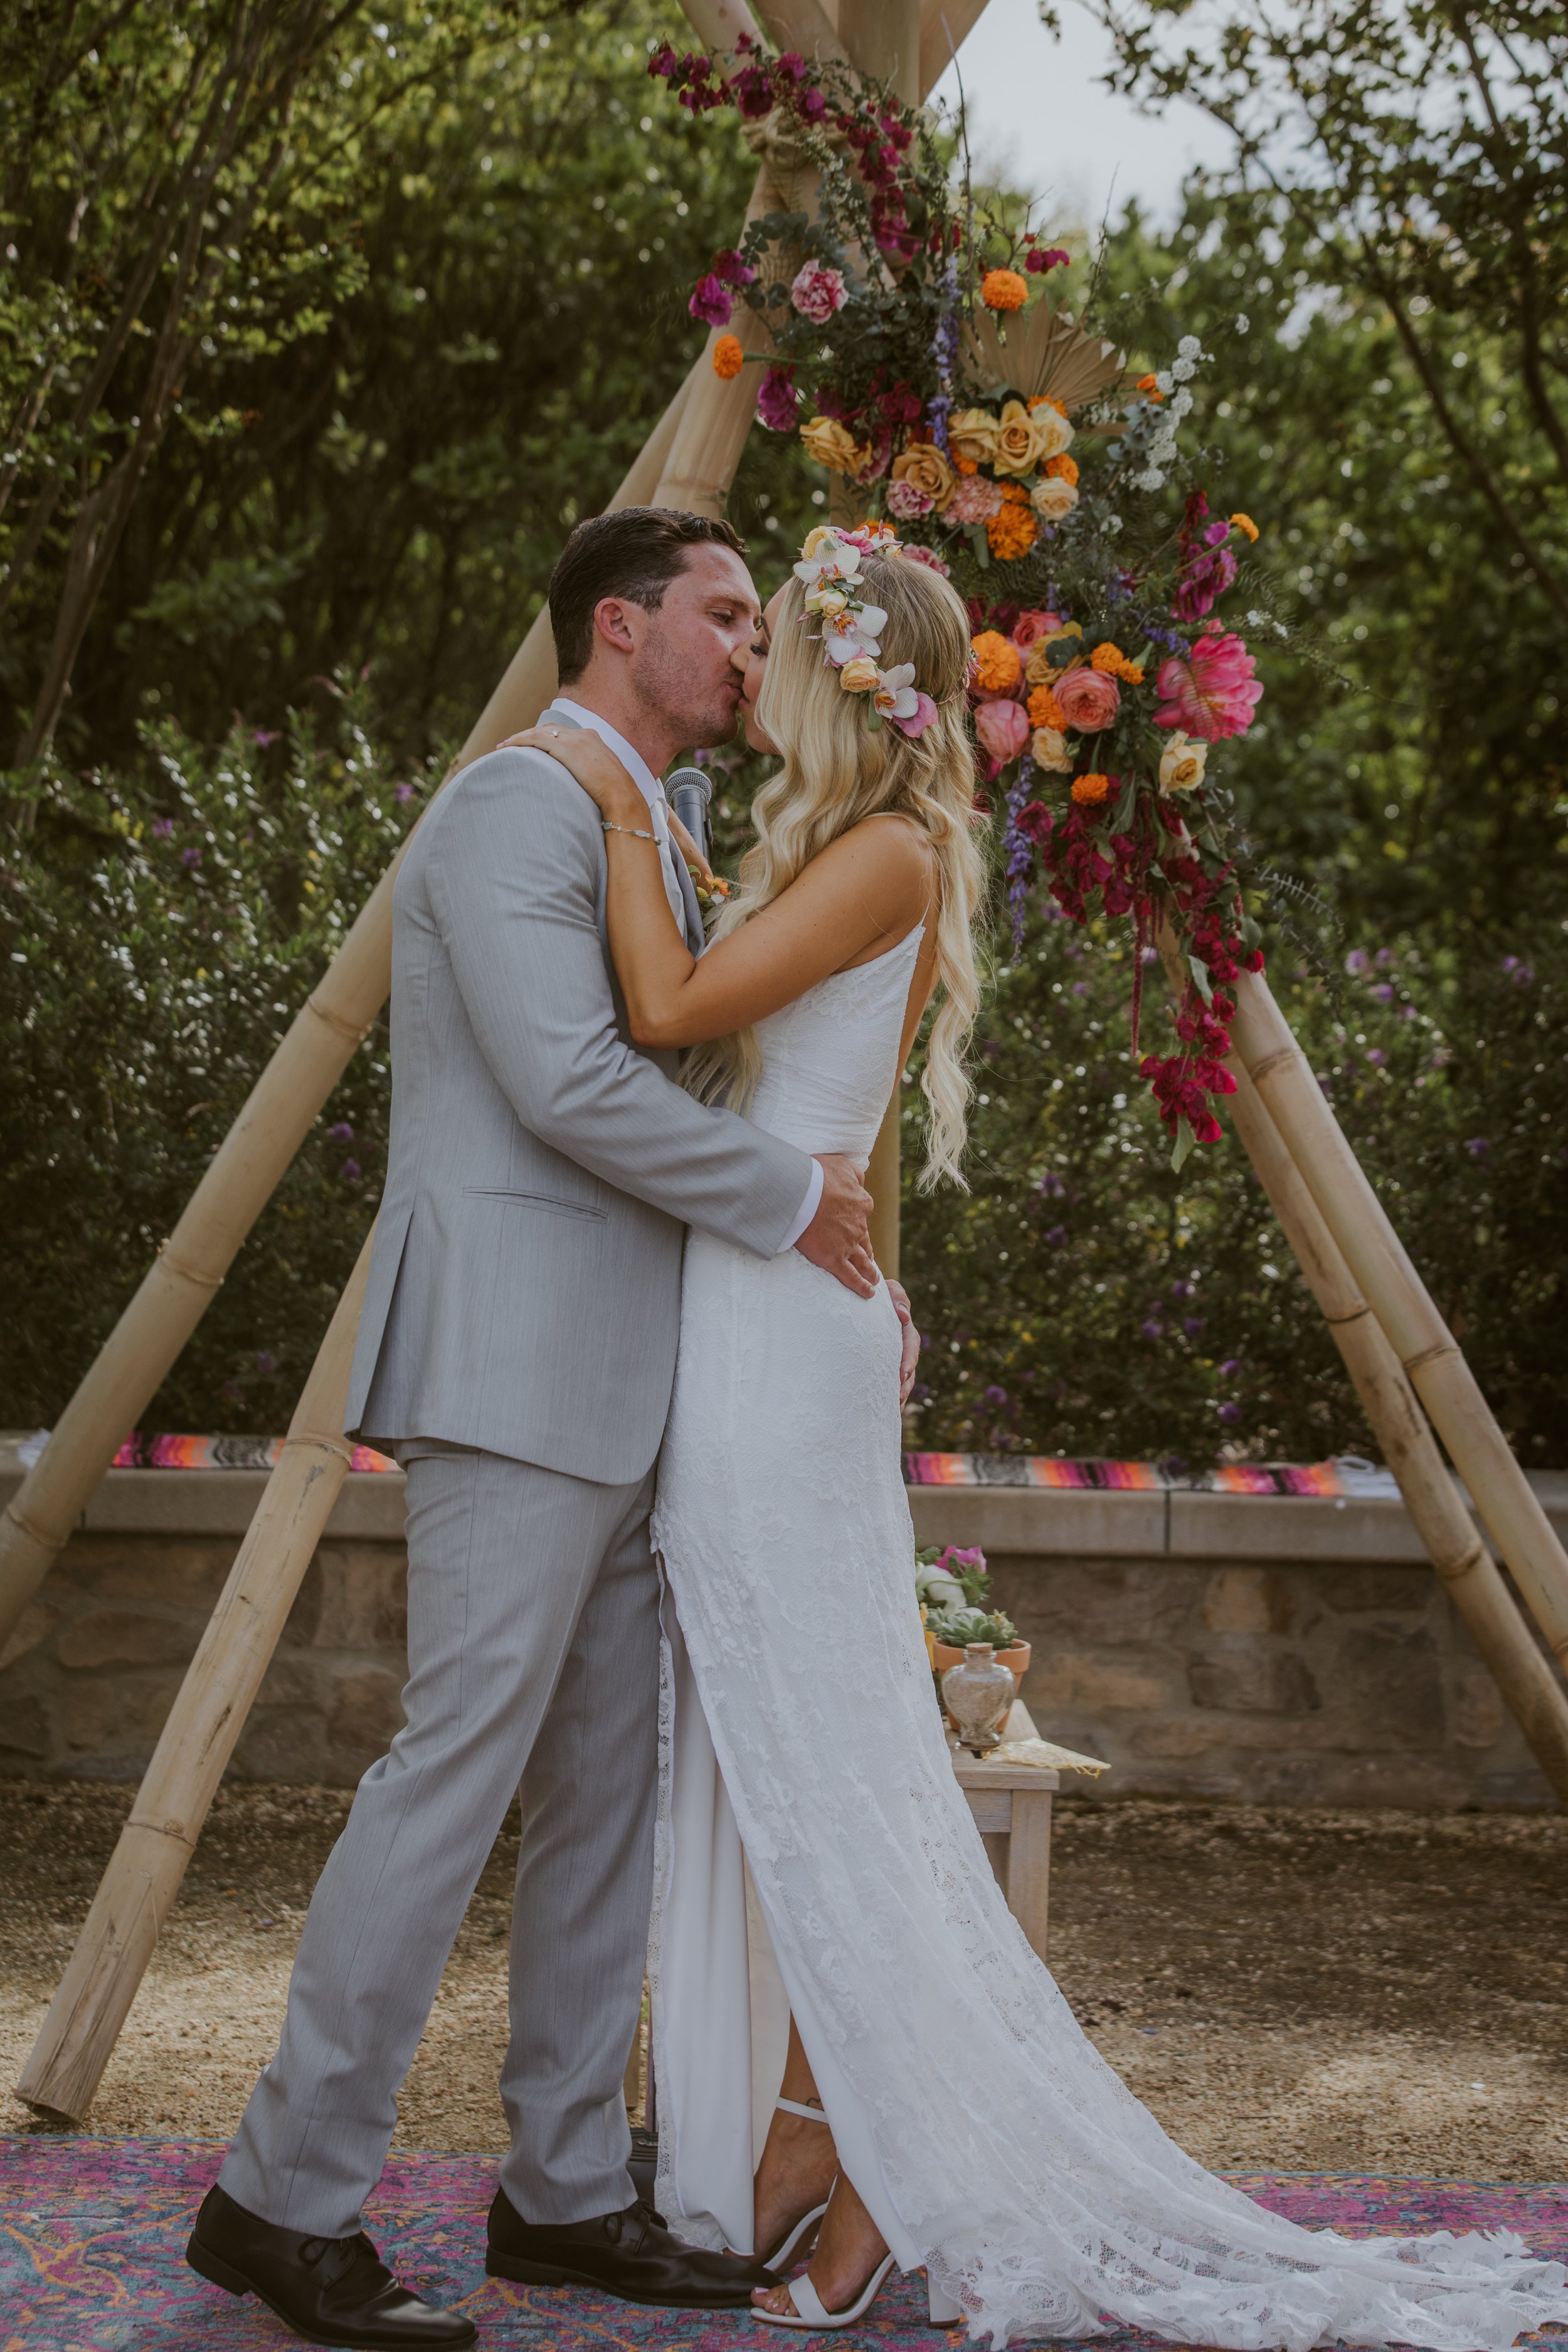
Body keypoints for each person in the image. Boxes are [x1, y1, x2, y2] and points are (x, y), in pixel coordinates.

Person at [504, 518, 1568, 2347]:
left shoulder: (884, 855)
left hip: (776, 1343)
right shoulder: (842, 847)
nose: (746, 666)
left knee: (823, 1769)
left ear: (852, 686)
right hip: (758, 1314)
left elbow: (665, 1013)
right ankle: (789, 2149)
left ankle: (850, 2175)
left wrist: (607, 802)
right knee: (775, 1766)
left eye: (779, 641)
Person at [186, 507, 920, 2349]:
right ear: (620, 626)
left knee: (605, 1801)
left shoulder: (663, 821)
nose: (754, 650)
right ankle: (283, 2200)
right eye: (725, 615)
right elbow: (572, 1080)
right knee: (447, 1785)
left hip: (644, 1392)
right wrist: (785, 1198)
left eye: (765, 621)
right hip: (516, 1373)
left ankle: (567, 2190)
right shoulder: (521, 803)